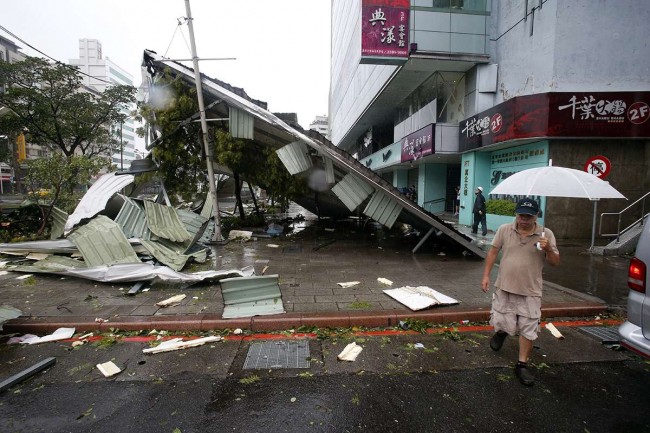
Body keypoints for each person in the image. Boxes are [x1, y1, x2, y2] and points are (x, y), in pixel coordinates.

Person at [480, 197, 560, 386]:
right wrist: (486, 276)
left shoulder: (545, 234)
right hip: (504, 286)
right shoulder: (504, 230)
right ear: (516, 214)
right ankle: (501, 333)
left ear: (536, 216)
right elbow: (493, 252)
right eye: (521, 215)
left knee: (528, 327)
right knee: (502, 320)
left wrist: (548, 248)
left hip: (530, 290)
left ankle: (521, 364)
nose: (524, 219)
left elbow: (555, 262)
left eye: (528, 216)